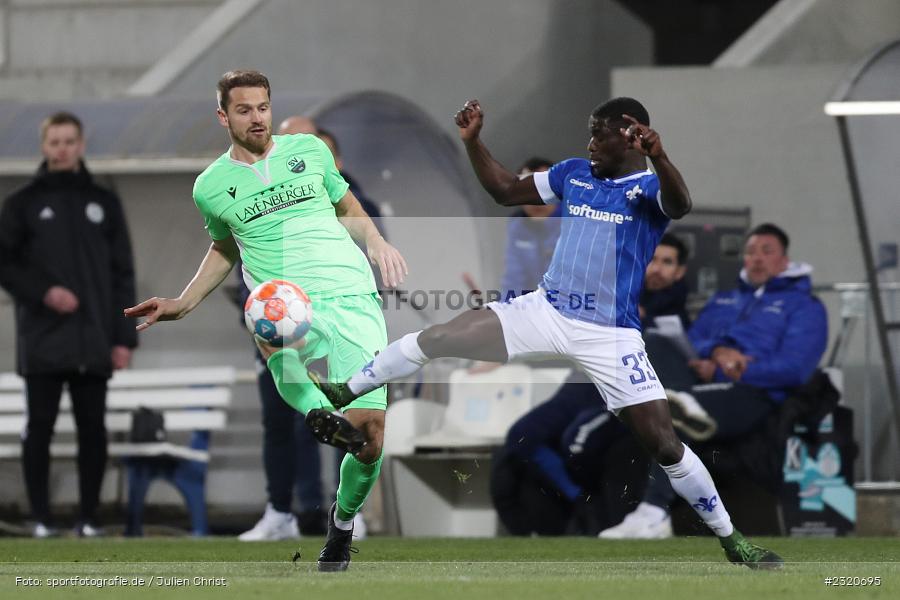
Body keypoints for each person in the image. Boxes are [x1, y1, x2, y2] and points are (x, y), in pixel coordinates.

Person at [310, 97, 783, 569]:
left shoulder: (646, 188)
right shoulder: (574, 173)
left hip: (609, 334)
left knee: (664, 444)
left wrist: (660, 156)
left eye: (600, 134)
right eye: (590, 131)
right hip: (546, 309)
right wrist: (474, 142)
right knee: (443, 336)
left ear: (632, 135)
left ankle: (733, 540)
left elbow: (681, 204)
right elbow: (504, 190)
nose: (590, 142)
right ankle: (345, 390)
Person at [124, 70, 407, 571]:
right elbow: (225, 245)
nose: (256, 118)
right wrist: (184, 302)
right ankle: (320, 412)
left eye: (262, 107)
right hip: (283, 297)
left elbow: (347, 205)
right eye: (243, 110)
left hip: (349, 293)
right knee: (271, 333)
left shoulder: (311, 151)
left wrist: (378, 241)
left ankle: (341, 526)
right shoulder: (211, 187)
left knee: (371, 438)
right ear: (223, 116)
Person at [599, 223, 828, 539]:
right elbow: (695, 338)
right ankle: (667, 400)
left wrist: (734, 369)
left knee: (672, 414)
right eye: (750, 252)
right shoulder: (725, 300)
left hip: (755, 391)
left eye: (766, 251)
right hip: (705, 380)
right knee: (651, 339)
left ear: (784, 260)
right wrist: (718, 351)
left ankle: (654, 512)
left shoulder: (805, 307)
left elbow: (795, 368)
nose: (756, 259)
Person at [237, 118, 378, 541]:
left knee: (350, 420)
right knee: (282, 423)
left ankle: (345, 510)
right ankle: (283, 512)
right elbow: (242, 254)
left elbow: (369, 250)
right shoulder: (261, 195)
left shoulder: (351, 200)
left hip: (338, 329)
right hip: (279, 330)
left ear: (329, 156)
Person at [494, 233, 691, 535]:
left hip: (616, 390)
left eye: (667, 262)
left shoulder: (680, 316)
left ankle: (591, 511)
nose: (657, 269)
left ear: (680, 272)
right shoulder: (614, 292)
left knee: (579, 439)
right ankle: (576, 502)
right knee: (522, 436)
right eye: (653, 259)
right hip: (582, 381)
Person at [0, 111, 137, 538]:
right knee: (38, 428)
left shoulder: (105, 202)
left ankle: (90, 520)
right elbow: (5, 263)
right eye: (54, 142)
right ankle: (41, 519)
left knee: (92, 430)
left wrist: (123, 338)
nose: (62, 148)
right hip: (41, 339)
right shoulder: (22, 203)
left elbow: (122, 274)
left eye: (69, 141)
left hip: (95, 337)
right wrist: (44, 292)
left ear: (80, 145)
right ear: (44, 147)